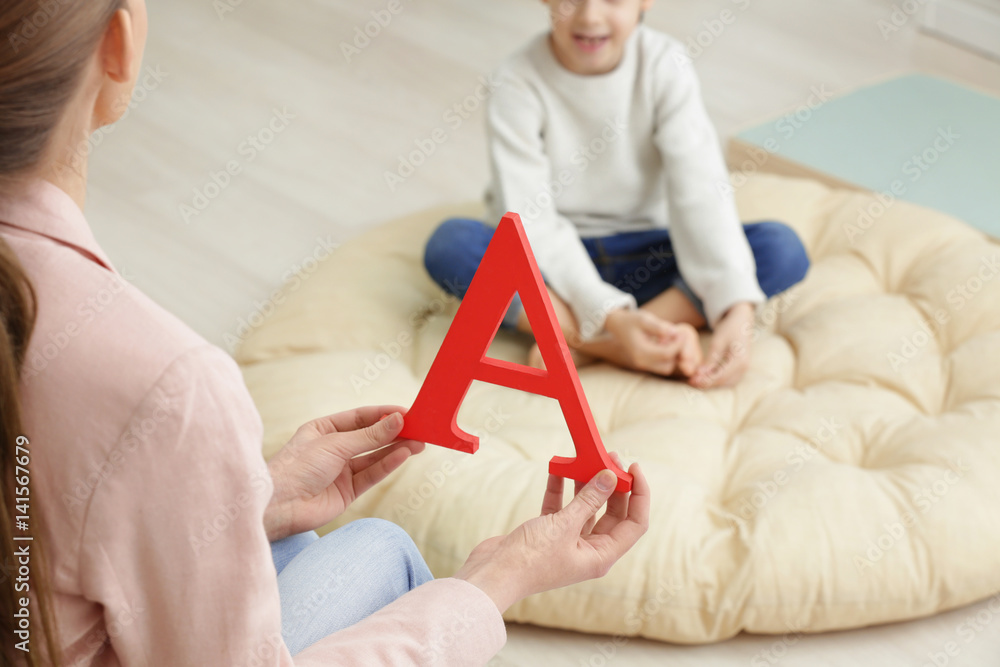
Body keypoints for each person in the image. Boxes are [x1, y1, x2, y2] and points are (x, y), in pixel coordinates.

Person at [0, 1, 650, 665]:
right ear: (120, 41)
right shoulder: (168, 385)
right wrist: (492, 582)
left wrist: (250, 495)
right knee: (378, 548)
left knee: (291, 545)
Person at [423, 0, 810, 388]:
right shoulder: (514, 81)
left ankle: (578, 342)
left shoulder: (665, 64)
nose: (590, 16)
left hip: (653, 251)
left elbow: (701, 191)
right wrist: (612, 317)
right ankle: (618, 342)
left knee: (780, 247)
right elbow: (531, 221)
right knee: (452, 244)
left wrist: (737, 309)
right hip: (554, 267)